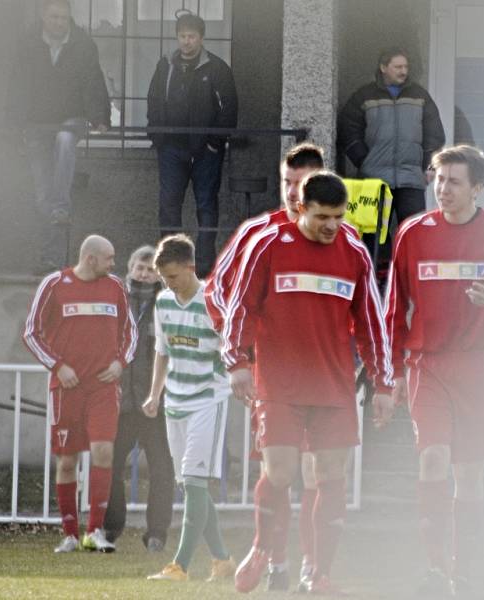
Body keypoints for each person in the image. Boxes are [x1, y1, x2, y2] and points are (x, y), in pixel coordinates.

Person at [222, 171, 395, 594]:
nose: (331, 225)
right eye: (322, 216)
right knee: (279, 471)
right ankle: (264, 548)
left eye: (338, 216)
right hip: (278, 382)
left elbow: (371, 321)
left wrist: (383, 384)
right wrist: (237, 362)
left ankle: (318, 571)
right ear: (300, 208)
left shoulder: (353, 249)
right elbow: (240, 305)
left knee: (331, 476)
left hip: (334, 383)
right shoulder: (267, 245)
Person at [384, 145, 484, 596]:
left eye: (454, 182)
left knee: (468, 473)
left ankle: (462, 572)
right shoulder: (413, 232)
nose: (442, 189)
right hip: (428, 363)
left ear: (477, 188)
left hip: (480, 365)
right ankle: (434, 567)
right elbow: (393, 307)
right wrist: (390, 374)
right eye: (438, 178)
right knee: (432, 459)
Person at [205, 142, 330, 590]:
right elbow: (218, 292)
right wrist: (243, 349)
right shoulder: (258, 232)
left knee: (319, 470)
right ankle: (275, 560)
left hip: (324, 374)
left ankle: (314, 568)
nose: (295, 193)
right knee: (277, 470)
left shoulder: (339, 234)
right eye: (288, 183)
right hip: (272, 372)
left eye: (304, 184)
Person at [23, 234, 137, 554]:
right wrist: (58, 366)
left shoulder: (115, 286)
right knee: (67, 460)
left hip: (103, 387)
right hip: (67, 389)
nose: (114, 264)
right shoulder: (54, 284)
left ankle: (95, 531)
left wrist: (120, 362)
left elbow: (131, 332)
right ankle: (70, 534)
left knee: (103, 451)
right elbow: (31, 332)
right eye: (109, 258)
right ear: (90, 259)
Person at [144, 234, 236, 583]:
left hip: (208, 400)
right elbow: (162, 351)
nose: (169, 283)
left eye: (174, 275)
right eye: (165, 278)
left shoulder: (214, 301)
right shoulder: (163, 302)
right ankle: (223, 560)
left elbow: (235, 347)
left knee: (196, 482)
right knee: (190, 485)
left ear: (189, 267)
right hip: (175, 402)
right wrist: (155, 394)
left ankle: (179, 566)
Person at [6, 0, 110, 274]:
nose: (58, 22)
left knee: (65, 140)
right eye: (54, 16)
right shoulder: (28, 44)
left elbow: (93, 81)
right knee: (42, 196)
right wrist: (14, 122)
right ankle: (51, 259)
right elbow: (18, 85)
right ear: (43, 16)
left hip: (71, 118)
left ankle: (61, 206)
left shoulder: (83, 45)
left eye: (63, 17)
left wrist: (100, 117)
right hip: (38, 124)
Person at [338, 46, 445, 276]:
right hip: (375, 178)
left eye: (405, 66)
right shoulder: (364, 96)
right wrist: (363, 160)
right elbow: (348, 129)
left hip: (411, 178)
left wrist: (428, 165)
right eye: (398, 66)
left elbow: (434, 134)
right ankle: (373, 282)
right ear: (383, 67)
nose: (403, 71)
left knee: (414, 233)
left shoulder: (420, 96)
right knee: (374, 237)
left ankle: (411, 280)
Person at [147, 12, 238, 279]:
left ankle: (205, 267)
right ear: (177, 37)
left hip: (206, 150)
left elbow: (229, 108)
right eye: (182, 36)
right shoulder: (165, 65)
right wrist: (158, 138)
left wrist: (214, 142)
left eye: (192, 36)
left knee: (206, 206)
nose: (186, 42)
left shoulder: (218, 68)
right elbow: (153, 100)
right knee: (169, 205)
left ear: (201, 38)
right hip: (171, 148)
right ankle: (171, 264)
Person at [103, 245, 174, 552]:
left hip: (156, 404)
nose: (144, 274)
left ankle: (157, 533)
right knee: (110, 466)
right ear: (129, 268)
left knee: (162, 469)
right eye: (139, 268)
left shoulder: (168, 304)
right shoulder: (113, 300)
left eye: (150, 269)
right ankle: (110, 527)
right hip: (119, 403)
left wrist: (160, 395)